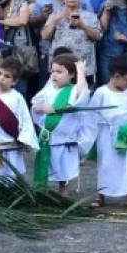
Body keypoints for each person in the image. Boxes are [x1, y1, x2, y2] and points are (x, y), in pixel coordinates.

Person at [87, 56, 127, 210]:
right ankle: (100, 194)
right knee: (105, 165)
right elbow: (91, 117)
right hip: (106, 136)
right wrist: (88, 140)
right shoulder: (101, 93)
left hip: (126, 136)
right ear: (116, 76)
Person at [31, 54, 89, 196]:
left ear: (71, 75)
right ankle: (42, 195)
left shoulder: (73, 90)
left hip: (65, 139)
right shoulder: (47, 90)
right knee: (45, 168)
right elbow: (35, 106)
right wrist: (42, 108)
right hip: (48, 138)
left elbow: (82, 94)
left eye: (59, 72)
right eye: (52, 71)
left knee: (64, 172)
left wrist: (81, 71)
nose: (54, 75)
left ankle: (63, 195)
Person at [0, 57, 38, 178]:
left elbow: (25, 121)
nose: (1, 78)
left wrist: (25, 141)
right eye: (0, 73)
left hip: (11, 146)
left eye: (7, 76)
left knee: (11, 178)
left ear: (14, 82)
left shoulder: (17, 97)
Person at [41, 0, 101, 85]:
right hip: (60, 66)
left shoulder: (90, 16)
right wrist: (56, 19)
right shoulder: (55, 15)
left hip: (83, 65)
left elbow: (97, 37)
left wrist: (82, 25)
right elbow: (44, 35)